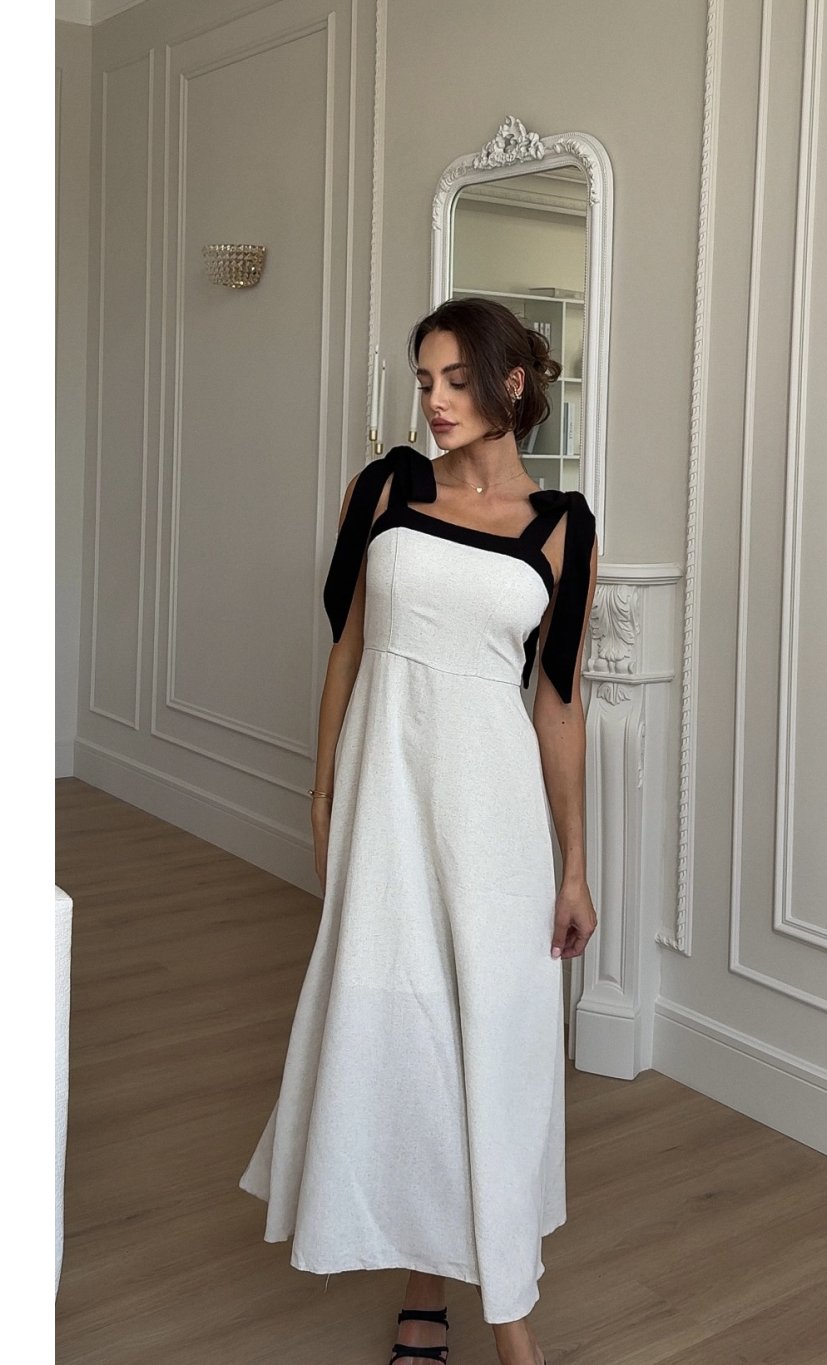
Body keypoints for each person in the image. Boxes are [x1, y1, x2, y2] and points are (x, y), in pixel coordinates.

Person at [239, 296, 599, 1365]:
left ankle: (506, 1308)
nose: (435, 402)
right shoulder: (389, 487)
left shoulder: (563, 525)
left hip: (495, 819)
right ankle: (426, 1285)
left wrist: (575, 866)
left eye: (455, 380)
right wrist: (322, 794)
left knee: (493, 1036)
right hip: (387, 797)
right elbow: (350, 647)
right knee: (400, 1028)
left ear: (511, 385)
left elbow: (558, 703)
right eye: (425, 382)